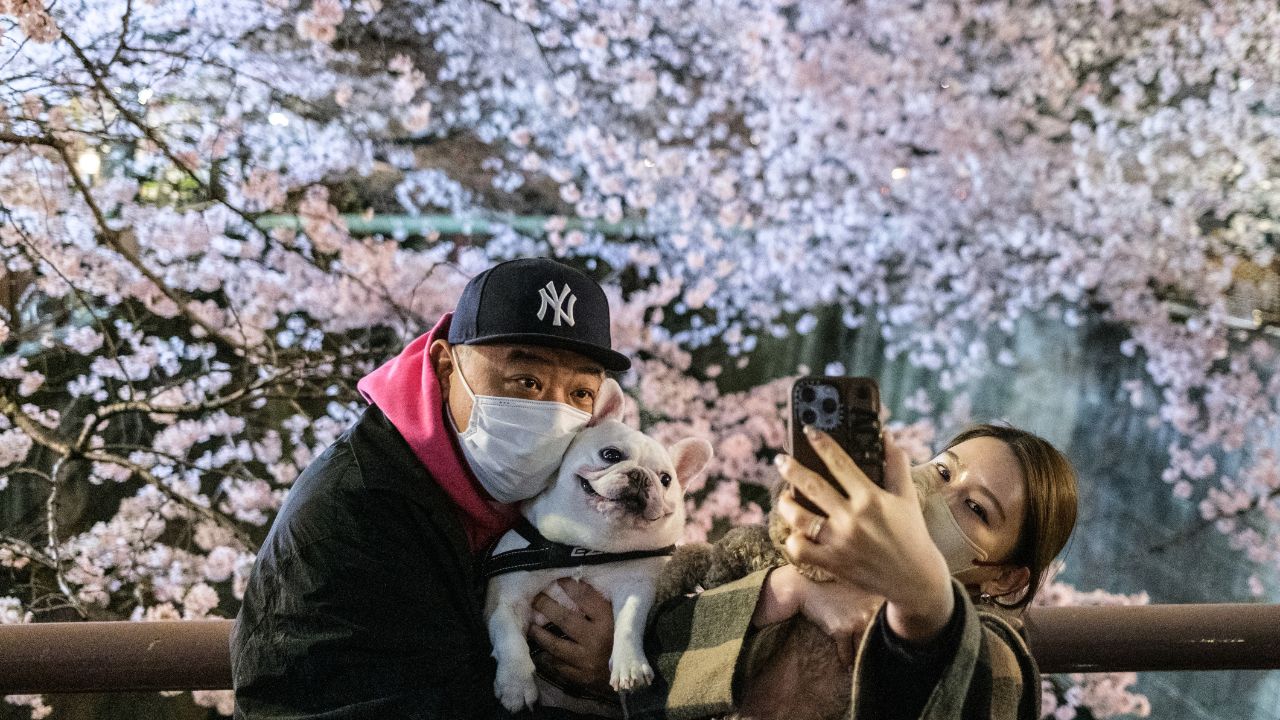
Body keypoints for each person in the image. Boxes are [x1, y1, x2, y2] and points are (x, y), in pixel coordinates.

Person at [230, 258, 629, 719]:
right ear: (444, 366)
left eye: (580, 393)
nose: (553, 412)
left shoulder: (526, 500)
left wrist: (612, 661)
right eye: (526, 381)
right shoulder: (358, 510)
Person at [613, 422, 1079, 720]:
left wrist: (922, 597)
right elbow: (651, 681)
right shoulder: (791, 563)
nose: (940, 496)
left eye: (976, 508)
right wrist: (788, 590)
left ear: (1004, 577)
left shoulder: (994, 651)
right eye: (941, 472)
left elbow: (988, 687)